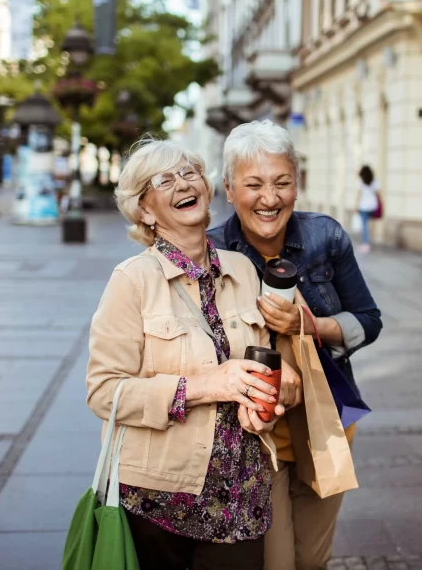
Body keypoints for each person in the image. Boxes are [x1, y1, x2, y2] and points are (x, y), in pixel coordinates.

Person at [88, 137, 302, 570]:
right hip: (160, 498)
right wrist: (204, 386)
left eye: (189, 173)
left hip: (241, 495)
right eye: (163, 180)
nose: (183, 183)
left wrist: (274, 397)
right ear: (145, 210)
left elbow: (264, 362)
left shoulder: (242, 269)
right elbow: (104, 393)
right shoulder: (132, 281)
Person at [208, 121, 382, 570]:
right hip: (255, 435)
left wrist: (312, 324)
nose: (270, 198)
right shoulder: (211, 255)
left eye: (282, 182)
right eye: (254, 184)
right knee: (277, 562)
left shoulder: (326, 238)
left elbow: (369, 321)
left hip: (324, 425)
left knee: (311, 559)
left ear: (297, 185)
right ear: (229, 188)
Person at [356, 165, 381, 253]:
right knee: (369, 224)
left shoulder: (360, 182)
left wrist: (356, 205)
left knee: (364, 225)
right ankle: (370, 240)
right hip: (373, 205)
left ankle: (366, 244)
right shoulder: (375, 181)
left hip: (363, 206)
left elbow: (359, 195)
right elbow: (378, 194)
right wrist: (380, 204)